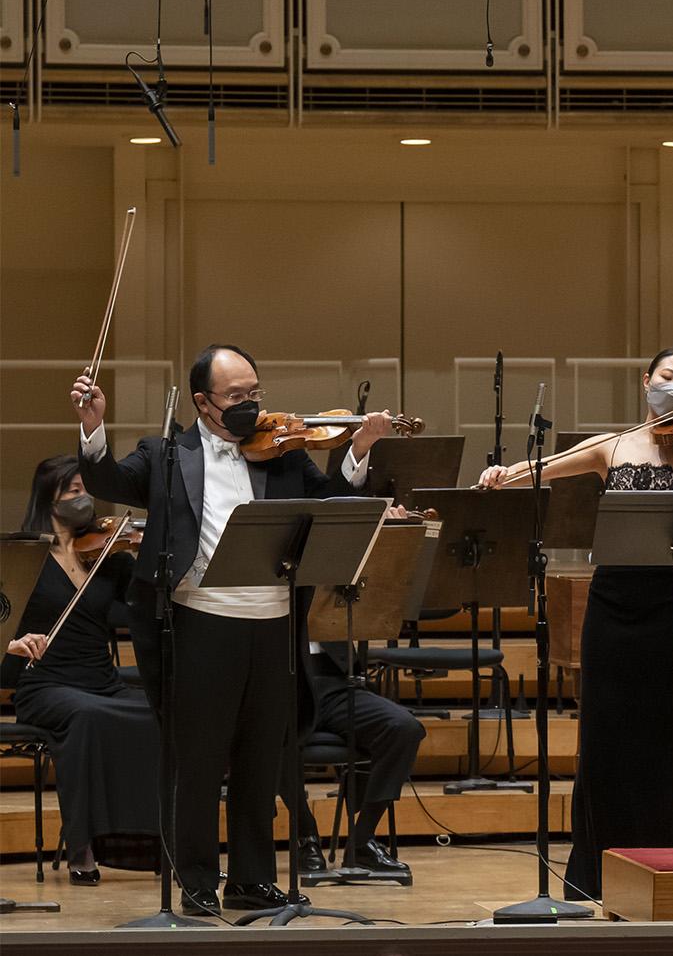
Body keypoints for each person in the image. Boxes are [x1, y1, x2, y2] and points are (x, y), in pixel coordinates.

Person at [72, 345, 395, 915]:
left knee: (260, 758)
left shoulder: (285, 455)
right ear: (203, 402)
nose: (251, 405)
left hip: (273, 626)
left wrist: (359, 450)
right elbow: (111, 482)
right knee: (197, 761)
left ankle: (251, 879)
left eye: (255, 393)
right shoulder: (166, 453)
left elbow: (335, 500)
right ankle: (195, 880)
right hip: (200, 625)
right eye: (236, 397)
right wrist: (93, 426)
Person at [478, 346, 673, 900]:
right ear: (646, 381)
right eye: (668, 377)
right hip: (613, 604)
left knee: (662, 735)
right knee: (606, 732)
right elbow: (540, 471)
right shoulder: (611, 446)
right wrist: (503, 474)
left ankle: (658, 865)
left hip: (669, 604)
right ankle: (594, 872)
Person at [1, 456, 159, 884]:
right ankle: (83, 845)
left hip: (101, 681)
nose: (82, 497)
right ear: (47, 496)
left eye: (85, 488)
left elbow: (140, 614)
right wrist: (12, 645)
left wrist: (147, 564)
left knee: (157, 715)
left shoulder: (107, 555)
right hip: (45, 685)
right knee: (88, 718)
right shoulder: (22, 555)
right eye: (72, 489)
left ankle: (152, 843)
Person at [292, 642, 426, 878]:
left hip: (337, 684)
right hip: (284, 683)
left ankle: (362, 841)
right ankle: (306, 836)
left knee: (403, 728)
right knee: (271, 734)